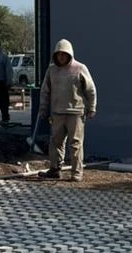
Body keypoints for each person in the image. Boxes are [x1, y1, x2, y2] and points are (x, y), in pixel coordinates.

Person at [38, 38, 97, 182]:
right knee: (55, 142)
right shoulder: (52, 70)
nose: (61, 57)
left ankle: (76, 173)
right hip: (57, 112)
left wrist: (92, 107)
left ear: (70, 54)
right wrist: (43, 109)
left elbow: (91, 90)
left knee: (75, 143)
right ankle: (55, 169)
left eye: (64, 54)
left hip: (75, 113)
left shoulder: (80, 68)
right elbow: (45, 91)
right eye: (59, 54)